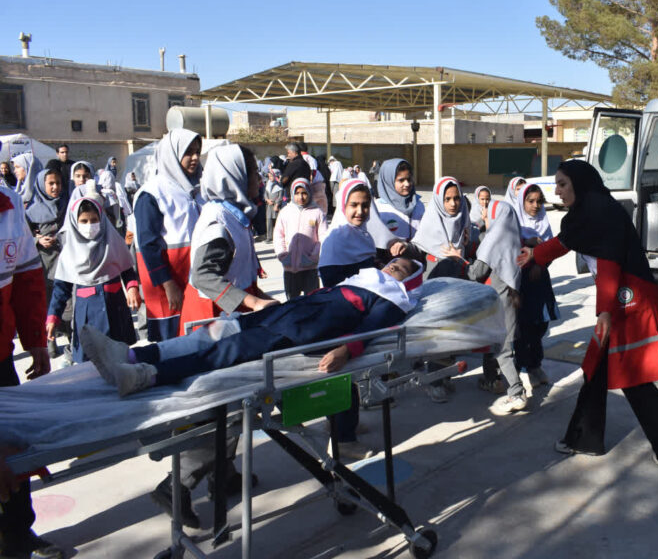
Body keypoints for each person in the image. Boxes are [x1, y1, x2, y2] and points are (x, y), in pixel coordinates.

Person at [82, 257, 423, 468]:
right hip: (287, 314)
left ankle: (145, 376)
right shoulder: (364, 280)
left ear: (409, 281)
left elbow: (372, 328)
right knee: (211, 335)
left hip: (301, 330)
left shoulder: (393, 298)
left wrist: (345, 351)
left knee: (225, 352)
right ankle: (130, 355)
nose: (393, 268)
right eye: (393, 263)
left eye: (402, 269)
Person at [517, 161, 658, 466]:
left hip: (629, 300)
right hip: (617, 299)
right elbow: (565, 241)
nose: (557, 192)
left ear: (579, 184)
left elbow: (609, 264)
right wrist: (535, 254)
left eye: (563, 184)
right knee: (597, 370)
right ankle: (584, 438)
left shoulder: (601, 213)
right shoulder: (586, 213)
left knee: (629, 374)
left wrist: (604, 312)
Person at [0, 185, 63, 559]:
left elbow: (26, 280)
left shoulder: (8, 204)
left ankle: (18, 534)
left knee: (14, 447)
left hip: (1, 356)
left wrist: (35, 339)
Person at [179, 144, 274, 336]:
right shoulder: (218, 222)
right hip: (212, 317)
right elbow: (203, 277)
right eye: (254, 172)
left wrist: (262, 298)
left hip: (230, 312)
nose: (259, 178)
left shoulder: (233, 215)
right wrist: (254, 302)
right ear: (236, 177)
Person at [46, 189, 141, 364]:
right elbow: (61, 289)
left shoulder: (112, 241)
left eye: (94, 220)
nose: (90, 225)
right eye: (84, 221)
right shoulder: (70, 252)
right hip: (87, 315)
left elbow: (127, 269)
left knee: (120, 361)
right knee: (90, 364)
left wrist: (132, 288)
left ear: (101, 219)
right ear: (75, 222)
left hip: (115, 310)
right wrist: (53, 316)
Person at [456, 200, 528, 413]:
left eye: (487, 213)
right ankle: (491, 380)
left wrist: (458, 259)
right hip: (509, 300)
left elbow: (475, 273)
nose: (484, 216)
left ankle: (517, 393)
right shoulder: (512, 238)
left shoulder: (493, 242)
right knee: (497, 346)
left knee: (502, 352)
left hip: (497, 305)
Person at [133, 128, 204, 341]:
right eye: (188, 152)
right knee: (172, 343)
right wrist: (168, 283)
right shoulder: (152, 193)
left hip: (195, 280)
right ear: (172, 155)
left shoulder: (198, 187)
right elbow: (148, 244)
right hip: (169, 285)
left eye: (197, 151)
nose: (195, 157)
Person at [513, 183, 558, 388]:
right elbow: (510, 250)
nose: (535, 205)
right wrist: (528, 243)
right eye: (530, 201)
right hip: (521, 282)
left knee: (540, 323)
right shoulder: (515, 223)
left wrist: (541, 257)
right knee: (523, 326)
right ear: (521, 202)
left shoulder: (543, 222)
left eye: (539, 201)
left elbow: (552, 250)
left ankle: (535, 364)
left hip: (540, 281)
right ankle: (522, 367)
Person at [24, 168, 68, 357]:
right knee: (46, 302)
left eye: (58, 183)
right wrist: (38, 240)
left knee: (67, 301)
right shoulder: (30, 212)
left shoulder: (66, 204)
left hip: (64, 260)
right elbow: (24, 236)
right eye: (51, 183)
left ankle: (72, 339)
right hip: (43, 263)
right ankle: (50, 342)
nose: (55, 187)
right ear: (42, 185)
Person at [274, 178, 327, 298]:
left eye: (304, 193)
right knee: (292, 302)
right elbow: (278, 235)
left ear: (309, 193)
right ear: (292, 193)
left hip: (310, 267)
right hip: (290, 268)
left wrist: (314, 257)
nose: (301, 197)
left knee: (312, 300)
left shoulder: (318, 212)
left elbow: (323, 238)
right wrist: (283, 255)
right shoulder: (285, 212)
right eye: (297, 193)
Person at [410, 176, 472, 278]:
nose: (453, 204)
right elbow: (417, 249)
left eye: (456, 198)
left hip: (458, 283)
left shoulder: (464, 224)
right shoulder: (429, 224)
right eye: (447, 199)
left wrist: (460, 259)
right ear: (438, 200)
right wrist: (403, 246)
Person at [373, 158, 425, 245]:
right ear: (388, 181)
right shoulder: (379, 208)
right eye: (401, 180)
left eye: (409, 179)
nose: (407, 184)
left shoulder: (418, 205)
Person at [264, 169, 282, 243]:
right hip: (269, 206)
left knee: (277, 221)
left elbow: (280, 197)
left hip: (276, 206)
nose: (270, 177)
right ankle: (269, 237)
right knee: (269, 221)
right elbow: (265, 194)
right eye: (269, 176)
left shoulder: (279, 185)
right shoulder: (267, 185)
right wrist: (267, 200)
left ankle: (278, 236)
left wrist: (277, 204)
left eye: (271, 176)